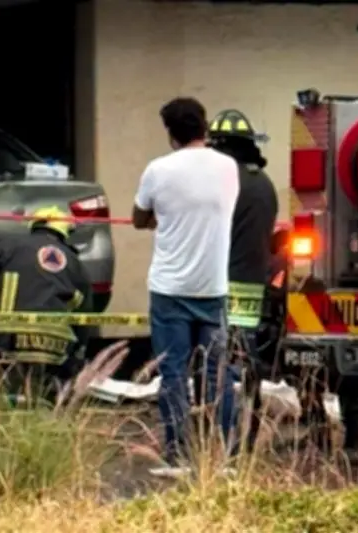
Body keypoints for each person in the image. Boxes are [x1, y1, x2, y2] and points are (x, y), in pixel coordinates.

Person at [132, 97, 239, 476]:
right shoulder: (229, 168)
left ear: (171, 133)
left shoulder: (158, 170)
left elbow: (138, 218)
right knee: (217, 374)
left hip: (169, 288)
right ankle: (224, 455)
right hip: (212, 287)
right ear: (205, 127)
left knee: (173, 372)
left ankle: (178, 453)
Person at [205, 109, 278, 450]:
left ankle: (229, 439)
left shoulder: (226, 181)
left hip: (221, 284)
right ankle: (248, 431)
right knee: (245, 362)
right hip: (253, 286)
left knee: (223, 366)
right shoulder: (263, 183)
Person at [0, 206, 93, 400]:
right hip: (56, 343)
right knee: (44, 395)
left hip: (8, 337)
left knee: (8, 391)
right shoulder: (75, 263)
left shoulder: (10, 246)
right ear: (63, 230)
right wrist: (75, 354)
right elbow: (84, 315)